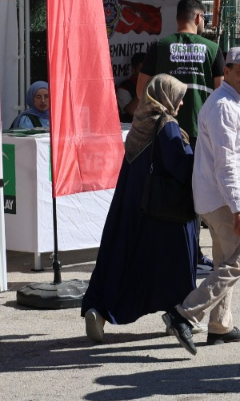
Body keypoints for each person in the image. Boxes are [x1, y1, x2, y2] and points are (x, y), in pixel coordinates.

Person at [80, 75, 198, 350]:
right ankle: (178, 315)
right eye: (178, 96)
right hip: (163, 213)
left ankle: (98, 309)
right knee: (172, 266)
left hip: (133, 206)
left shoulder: (140, 123)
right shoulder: (167, 126)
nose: (181, 102)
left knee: (124, 260)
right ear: (166, 97)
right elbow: (179, 166)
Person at [164, 48, 240, 354]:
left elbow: (232, 157)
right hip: (222, 199)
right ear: (227, 72)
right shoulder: (224, 106)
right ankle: (185, 314)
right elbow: (226, 162)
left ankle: (220, 326)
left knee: (225, 261)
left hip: (218, 197)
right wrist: (239, 206)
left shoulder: (231, 102)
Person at [137, 0, 224, 144]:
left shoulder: (159, 46)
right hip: (202, 129)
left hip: (164, 129)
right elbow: (221, 93)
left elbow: (141, 91)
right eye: (205, 19)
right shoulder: (213, 49)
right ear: (198, 17)